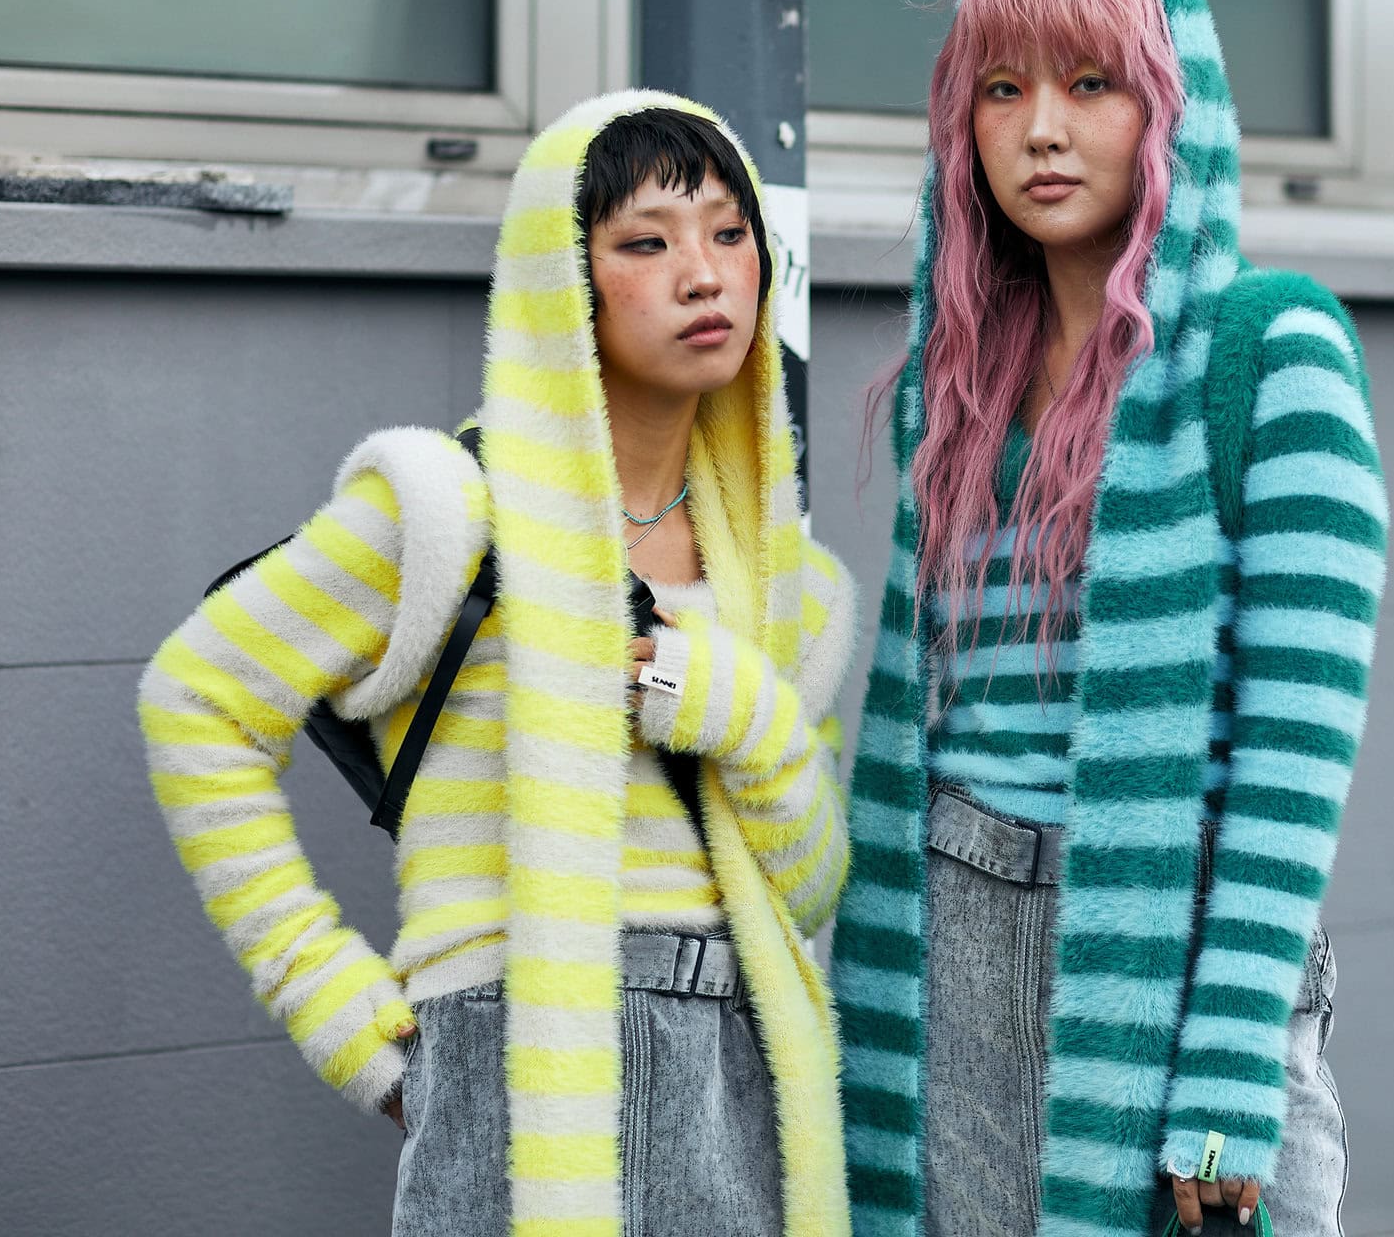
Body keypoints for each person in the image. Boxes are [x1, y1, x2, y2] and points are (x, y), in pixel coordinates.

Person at [137, 91, 857, 1237]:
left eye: (731, 233)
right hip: (511, 1045)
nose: (704, 274)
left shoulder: (790, 584)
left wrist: (738, 711)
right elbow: (195, 698)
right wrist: (336, 1005)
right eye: (646, 242)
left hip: (739, 1058)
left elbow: (812, 885)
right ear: (559, 280)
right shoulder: (446, 512)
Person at [831, 0, 1387, 1237]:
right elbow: (920, 723)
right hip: (957, 943)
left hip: (1179, 950)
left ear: (1171, 112)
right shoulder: (951, 394)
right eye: (1002, 89)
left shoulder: (1272, 353)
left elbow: (1294, 753)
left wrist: (1231, 1065)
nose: (1041, 130)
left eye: (1091, 84)